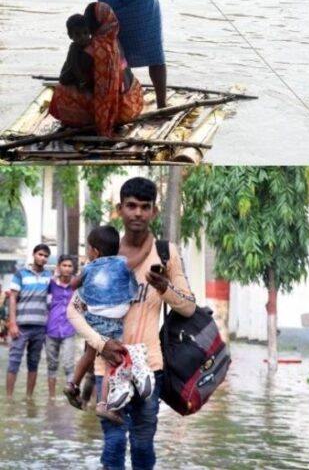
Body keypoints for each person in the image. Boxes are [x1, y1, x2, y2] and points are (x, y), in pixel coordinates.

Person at [67, 177, 196, 470]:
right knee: (113, 444)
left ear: (154, 211)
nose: (138, 213)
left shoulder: (166, 253)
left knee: (142, 444)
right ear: (120, 209)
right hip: (108, 366)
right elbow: (74, 312)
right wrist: (102, 345)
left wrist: (164, 287)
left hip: (150, 365)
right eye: (131, 206)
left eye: (144, 207)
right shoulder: (104, 254)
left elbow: (188, 307)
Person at [64, 226, 139, 424]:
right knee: (111, 364)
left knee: (88, 355)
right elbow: (134, 287)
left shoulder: (89, 267)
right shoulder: (123, 264)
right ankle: (103, 405)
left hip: (93, 319)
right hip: (114, 322)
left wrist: (74, 284)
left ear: (95, 251)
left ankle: (72, 383)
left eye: (88, 248)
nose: (88, 253)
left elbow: (74, 285)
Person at [49, 2, 144, 137]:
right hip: (132, 103)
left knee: (61, 90)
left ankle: (87, 120)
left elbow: (69, 77)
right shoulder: (115, 40)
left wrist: (74, 54)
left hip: (114, 112)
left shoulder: (93, 48)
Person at [5, 244, 53, 399]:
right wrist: (12, 323)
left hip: (40, 327)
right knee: (14, 361)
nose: (43, 258)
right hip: (21, 326)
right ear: (34, 255)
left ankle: (29, 398)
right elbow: (12, 298)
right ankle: (9, 398)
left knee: (34, 362)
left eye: (46, 256)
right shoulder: (20, 274)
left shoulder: (48, 277)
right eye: (40, 254)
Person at [45, 255, 78, 400]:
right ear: (59, 267)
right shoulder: (51, 284)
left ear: (73, 269)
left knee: (69, 365)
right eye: (64, 265)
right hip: (51, 329)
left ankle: (69, 398)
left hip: (69, 329)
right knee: (52, 365)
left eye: (70, 266)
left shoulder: (77, 285)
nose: (67, 268)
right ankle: (51, 398)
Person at [60, 14, 94, 92]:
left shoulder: (91, 44)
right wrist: (83, 80)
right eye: (77, 34)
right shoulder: (74, 47)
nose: (82, 37)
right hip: (67, 76)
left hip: (79, 74)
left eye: (85, 33)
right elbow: (73, 66)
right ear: (70, 36)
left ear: (90, 32)